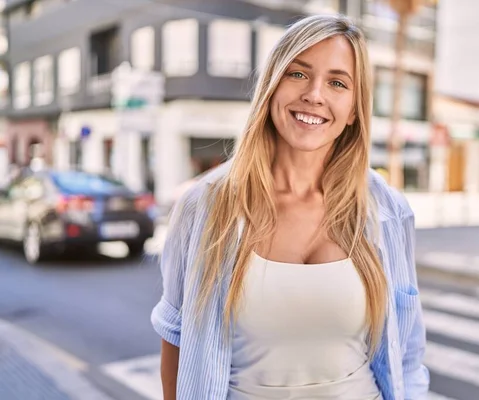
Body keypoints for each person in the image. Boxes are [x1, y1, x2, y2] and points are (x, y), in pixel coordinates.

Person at [151, 14, 429, 400]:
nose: (314, 94)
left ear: (353, 110)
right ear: (271, 87)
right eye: (298, 74)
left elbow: (409, 356)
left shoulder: (387, 209)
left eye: (337, 82)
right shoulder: (205, 207)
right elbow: (176, 339)